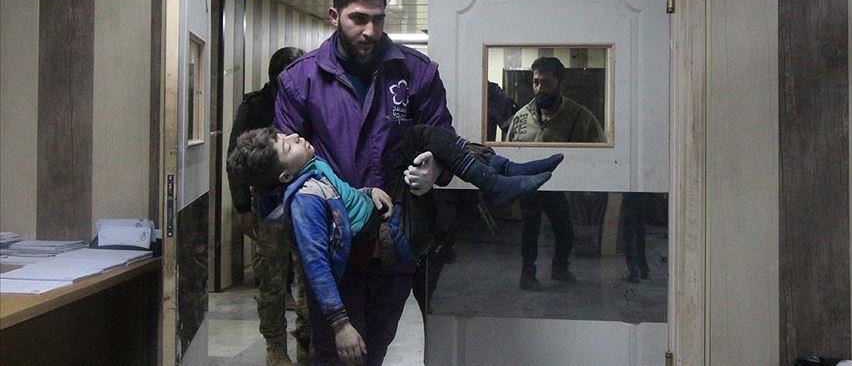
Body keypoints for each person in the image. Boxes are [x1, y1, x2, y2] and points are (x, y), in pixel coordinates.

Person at [226, 125, 561, 365]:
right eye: (287, 147)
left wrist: (366, 192)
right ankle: (498, 180)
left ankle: (503, 171)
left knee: (419, 137)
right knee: (419, 137)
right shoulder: (305, 200)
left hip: (386, 219)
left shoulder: (311, 168)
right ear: (285, 176)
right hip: (395, 235)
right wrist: (341, 325)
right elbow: (316, 268)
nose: (294, 137)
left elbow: (340, 199)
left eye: (284, 136)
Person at [271, 0, 459, 364]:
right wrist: (343, 199)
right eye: (358, 18)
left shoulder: (416, 73)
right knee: (333, 352)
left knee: (375, 347)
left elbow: (442, 139)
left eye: (378, 19)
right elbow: (285, 164)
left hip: (394, 238)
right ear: (334, 15)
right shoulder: (300, 79)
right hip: (331, 240)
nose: (370, 30)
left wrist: (435, 169)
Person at [226, 47, 309, 366]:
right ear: (276, 75)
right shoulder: (256, 106)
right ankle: (275, 347)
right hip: (269, 203)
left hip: (307, 200)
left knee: (310, 278)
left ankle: (306, 343)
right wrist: (242, 207)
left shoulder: (310, 99)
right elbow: (236, 160)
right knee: (271, 281)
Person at [505, 56, 606, 291]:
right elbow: (508, 151)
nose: (540, 88)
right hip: (529, 184)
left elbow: (599, 153)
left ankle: (560, 269)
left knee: (564, 231)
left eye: (546, 83)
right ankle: (527, 275)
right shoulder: (521, 117)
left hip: (560, 185)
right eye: (536, 82)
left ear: (560, 83)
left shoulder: (580, 116)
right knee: (529, 232)